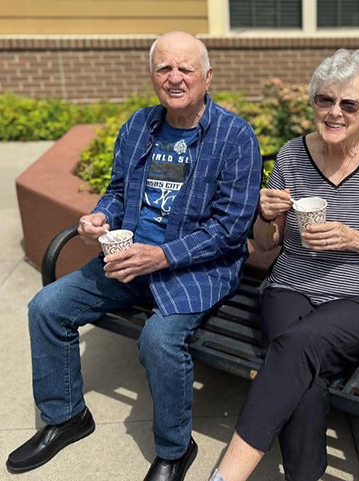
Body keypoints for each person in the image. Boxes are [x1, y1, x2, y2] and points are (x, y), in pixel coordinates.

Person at [6, 31, 262, 481]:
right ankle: (66, 416)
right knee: (46, 307)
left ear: (207, 77)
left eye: (186, 69)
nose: (175, 78)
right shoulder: (139, 126)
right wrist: (99, 218)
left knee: (159, 341)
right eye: (165, 68)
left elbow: (230, 228)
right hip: (126, 259)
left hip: (195, 268)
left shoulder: (235, 137)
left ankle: (174, 449)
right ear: (152, 75)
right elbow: (119, 192)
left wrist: (161, 256)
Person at [209, 49, 359, 481]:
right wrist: (266, 215)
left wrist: (353, 238)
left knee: (293, 348)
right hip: (290, 286)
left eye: (349, 104)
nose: (335, 112)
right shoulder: (291, 156)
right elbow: (267, 246)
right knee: (304, 373)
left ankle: (224, 476)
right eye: (325, 100)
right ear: (312, 102)